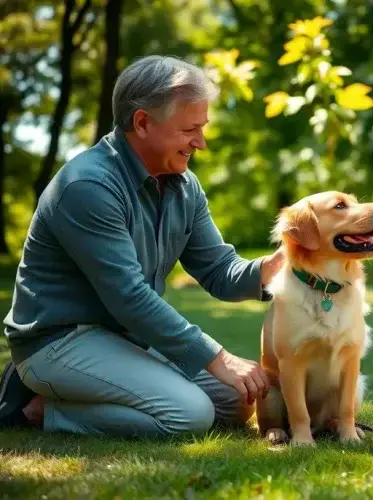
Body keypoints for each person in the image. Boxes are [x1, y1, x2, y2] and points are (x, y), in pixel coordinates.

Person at [0, 55, 285, 437]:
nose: (200, 142)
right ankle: (38, 408)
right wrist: (218, 358)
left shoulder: (184, 186)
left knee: (237, 402)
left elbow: (219, 270)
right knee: (190, 415)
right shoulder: (89, 186)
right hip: (57, 342)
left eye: (201, 128)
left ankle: (83, 397)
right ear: (142, 123)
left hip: (124, 339)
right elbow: (129, 297)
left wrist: (279, 265)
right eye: (189, 129)